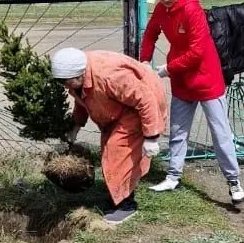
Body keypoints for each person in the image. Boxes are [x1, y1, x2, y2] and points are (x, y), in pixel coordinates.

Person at [140, 0, 244, 207]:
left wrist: (166, 70)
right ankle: (173, 176)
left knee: (220, 133)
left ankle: (234, 182)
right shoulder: (161, 9)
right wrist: (145, 60)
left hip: (205, 76)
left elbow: (197, 52)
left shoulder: (191, 8)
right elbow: (150, 34)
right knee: (178, 130)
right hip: (181, 78)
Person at [50, 47, 168, 226]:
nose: (65, 87)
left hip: (141, 105)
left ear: (79, 75)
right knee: (109, 149)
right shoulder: (78, 76)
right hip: (121, 106)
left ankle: (126, 205)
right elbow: (83, 101)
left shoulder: (110, 77)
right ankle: (116, 196)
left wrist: (151, 136)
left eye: (67, 82)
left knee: (117, 151)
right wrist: (76, 125)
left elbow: (145, 99)